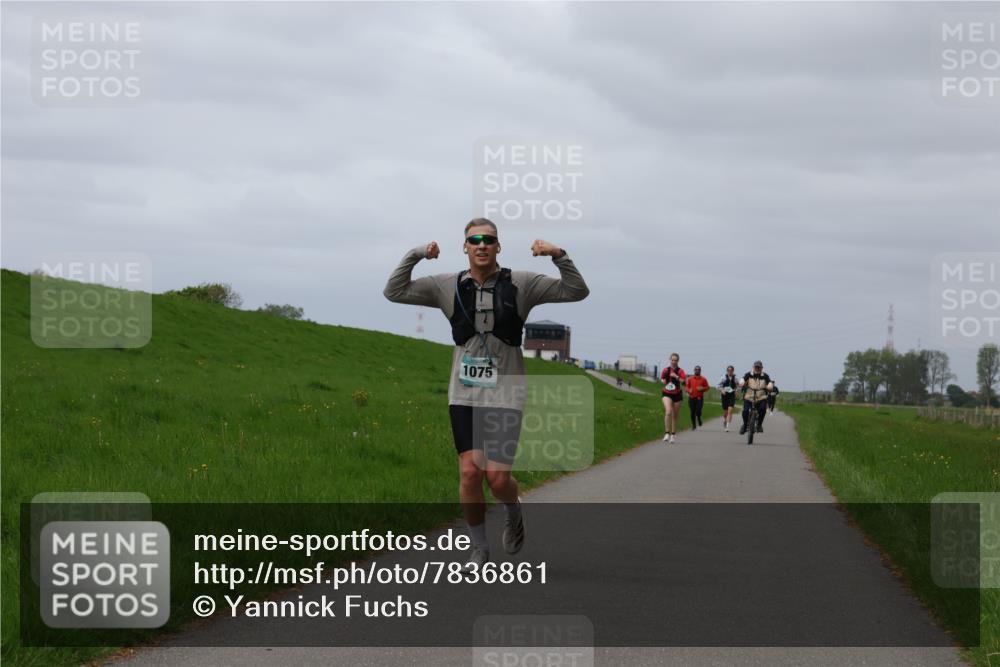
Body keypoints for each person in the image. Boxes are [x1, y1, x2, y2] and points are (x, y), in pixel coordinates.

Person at [383, 218, 589, 570]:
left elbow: (576, 290)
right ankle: (478, 550)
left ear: (498, 246)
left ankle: (513, 509)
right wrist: (418, 254)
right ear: (465, 246)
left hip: (506, 394)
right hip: (464, 395)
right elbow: (394, 291)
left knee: (497, 479)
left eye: (488, 240)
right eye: (474, 240)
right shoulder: (447, 285)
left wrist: (558, 254)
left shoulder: (522, 283)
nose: (481, 245)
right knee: (468, 472)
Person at [739, 360, 773, 437]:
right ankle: (745, 425)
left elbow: (769, 382)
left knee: (762, 409)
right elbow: (743, 379)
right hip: (749, 396)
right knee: (745, 411)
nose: (757, 368)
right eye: (756, 367)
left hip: (761, 397)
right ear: (753, 367)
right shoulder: (748, 374)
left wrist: (770, 386)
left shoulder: (765, 376)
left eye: (759, 367)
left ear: (762, 368)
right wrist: (742, 382)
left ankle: (759, 425)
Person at [660, 353, 686, 443]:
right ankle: (666, 433)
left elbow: (684, 382)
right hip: (667, 393)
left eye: (675, 360)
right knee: (668, 412)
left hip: (677, 394)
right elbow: (662, 379)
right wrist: (663, 380)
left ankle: (673, 435)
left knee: (675, 416)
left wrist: (676, 376)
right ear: (670, 360)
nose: (674, 361)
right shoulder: (666, 370)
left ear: (678, 361)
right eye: (672, 360)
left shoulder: (680, 371)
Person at [684, 365, 709, 429]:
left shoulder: (703, 379)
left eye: (698, 370)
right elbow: (686, 387)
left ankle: (699, 418)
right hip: (691, 398)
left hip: (699, 398)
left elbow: (707, 387)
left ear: (700, 371)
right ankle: (694, 425)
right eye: (696, 369)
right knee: (692, 412)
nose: (697, 370)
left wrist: (702, 388)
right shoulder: (690, 379)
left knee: (698, 411)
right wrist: (689, 390)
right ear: (694, 370)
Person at [717, 365, 739, 432]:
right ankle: (725, 420)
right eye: (728, 370)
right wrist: (722, 390)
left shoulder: (735, 378)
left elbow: (739, 386)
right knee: (725, 412)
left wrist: (736, 391)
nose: (730, 371)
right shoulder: (723, 377)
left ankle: (727, 426)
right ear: (727, 371)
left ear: (733, 371)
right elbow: (718, 385)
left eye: (731, 370)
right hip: (725, 395)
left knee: (730, 410)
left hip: (732, 395)